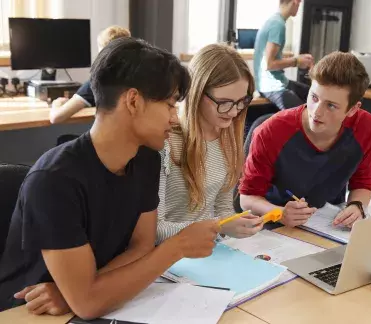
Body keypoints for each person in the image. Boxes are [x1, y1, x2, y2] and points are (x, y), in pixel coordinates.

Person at [0, 38, 220, 318]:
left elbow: (141, 247)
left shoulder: (146, 159)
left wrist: (81, 292)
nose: (175, 119)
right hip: (28, 312)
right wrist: (176, 248)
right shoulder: (53, 181)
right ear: (133, 101)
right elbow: (89, 305)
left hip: (95, 302)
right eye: (169, 104)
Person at [239, 51, 371, 229]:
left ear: (352, 110)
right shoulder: (271, 131)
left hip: (329, 223)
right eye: (314, 97)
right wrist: (279, 213)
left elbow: (363, 182)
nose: (317, 112)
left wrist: (357, 206)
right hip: (276, 227)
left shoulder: (364, 125)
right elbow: (247, 199)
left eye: (331, 105)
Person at [156, 44, 263, 244]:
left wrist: (235, 225)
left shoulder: (227, 137)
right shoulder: (165, 142)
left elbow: (223, 210)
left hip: (207, 251)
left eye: (241, 101)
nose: (233, 112)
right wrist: (218, 226)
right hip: (168, 257)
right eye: (224, 102)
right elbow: (154, 231)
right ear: (197, 93)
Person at [49, 25, 131, 124]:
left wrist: (56, 103)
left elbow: (56, 118)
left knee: (64, 139)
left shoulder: (98, 83)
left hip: (105, 139)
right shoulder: (141, 79)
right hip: (135, 138)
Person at [253, 0, 314, 110]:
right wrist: (297, 61)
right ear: (295, 2)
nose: (299, 7)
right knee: (303, 114)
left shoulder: (274, 20)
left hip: (275, 81)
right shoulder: (278, 25)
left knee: (312, 93)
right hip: (271, 86)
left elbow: (271, 58)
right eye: (299, 4)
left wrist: (297, 59)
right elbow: (269, 64)